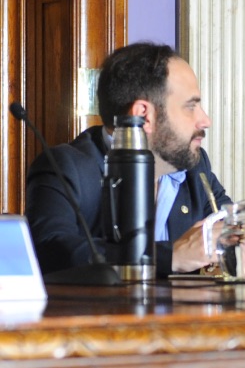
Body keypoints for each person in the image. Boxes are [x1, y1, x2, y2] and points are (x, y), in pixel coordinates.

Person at [26, 43, 230, 277]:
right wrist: (170, 256)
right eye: (191, 106)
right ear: (144, 115)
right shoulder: (65, 167)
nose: (205, 120)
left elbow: (231, 225)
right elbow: (50, 251)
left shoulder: (195, 166)